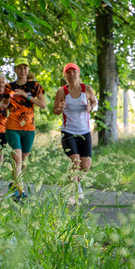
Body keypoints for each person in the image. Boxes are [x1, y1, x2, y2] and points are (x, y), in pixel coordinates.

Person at [53, 63, 97, 203]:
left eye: (74, 72)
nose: (72, 75)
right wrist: (60, 108)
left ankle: (76, 185)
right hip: (68, 131)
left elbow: (95, 103)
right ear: (65, 76)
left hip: (84, 131)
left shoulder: (87, 89)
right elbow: (55, 111)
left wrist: (91, 107)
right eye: (68, 72)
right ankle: (73, 192)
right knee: (76, 160)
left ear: (78, 73)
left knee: (86, 165)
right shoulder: (62, 91)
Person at [5, 58, 47, 199]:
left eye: (25, 68)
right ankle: (19, 191)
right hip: (12, 127)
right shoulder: (8, 86)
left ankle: (14, 185)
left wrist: (26, 96)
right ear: (15, 70)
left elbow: (42, 104)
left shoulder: (34, 86)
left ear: (28, 70)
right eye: (20, 68)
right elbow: (5, 104)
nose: (23, 70)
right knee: (17, 160)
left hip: (29, 128)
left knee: (23, 162)